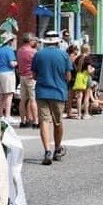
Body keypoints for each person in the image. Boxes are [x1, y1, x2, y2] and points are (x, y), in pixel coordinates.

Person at [32, 30, 73, 165]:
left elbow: (34, 76)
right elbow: (68, 76)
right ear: (57, 42)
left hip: (42, 91)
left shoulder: (38, 55)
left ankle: (47, 150)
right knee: (58, 121)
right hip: (58, 91)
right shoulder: (64, 55)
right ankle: (57, 148)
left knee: (44, 121)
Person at [0, 32, 17, 123]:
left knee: (1, 95)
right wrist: (16, 63)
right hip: (8, 73)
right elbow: (12, 63)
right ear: (9, 41)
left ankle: (0, 115)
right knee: (9, 95)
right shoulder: (9, 50)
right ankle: (7, 115)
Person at [16, 32, 39, 128]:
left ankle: (22, 120)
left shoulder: (19, 50)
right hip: (31, 76)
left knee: (23, 99)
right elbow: (37, 63)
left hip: (22, 76)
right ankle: (35, 121)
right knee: (33, 99)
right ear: (30, 41)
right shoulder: (33, 52)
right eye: (33, 40)